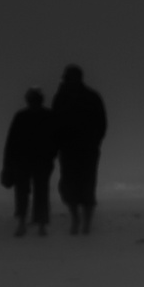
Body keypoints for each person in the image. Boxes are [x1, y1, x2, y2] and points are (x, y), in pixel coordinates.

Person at [52, 64, 107, 234]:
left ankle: (84, 223)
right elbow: (54, 123)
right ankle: (77, 219)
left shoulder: (87, 97)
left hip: (84, 149)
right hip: (71, 149)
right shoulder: (63, 97)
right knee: (71, 186)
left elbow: (101, 123)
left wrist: (94, 141)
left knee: (85, 186)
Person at [1, 89, 58, 237]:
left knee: (25, 192)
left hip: (28, 160)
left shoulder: (23, 116)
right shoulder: (47, 116)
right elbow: (55, 140)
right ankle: (38, 226)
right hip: (33, 161)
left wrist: (7, 165)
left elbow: (11, 143)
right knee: (38, 192)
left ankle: (28, 225)